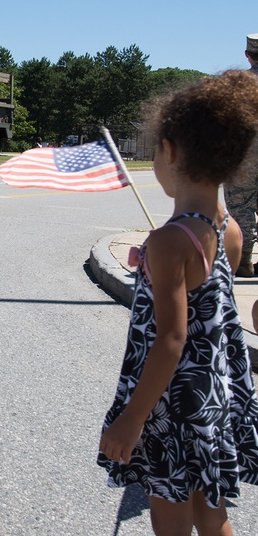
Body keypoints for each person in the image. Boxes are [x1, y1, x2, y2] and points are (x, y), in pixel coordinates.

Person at [97, 70, 258, 536]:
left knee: (170, 520)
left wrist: (133, 419)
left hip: (173, 406)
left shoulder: (171, 241)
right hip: (213, 400)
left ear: (170, 152)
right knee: (213, 516)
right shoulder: (230, 231)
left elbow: (171, 338)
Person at [223, 33, 258, 277]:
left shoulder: (238, 84)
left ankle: (242, 262)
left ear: (247, 54)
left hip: (244, 155)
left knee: (241, 208)